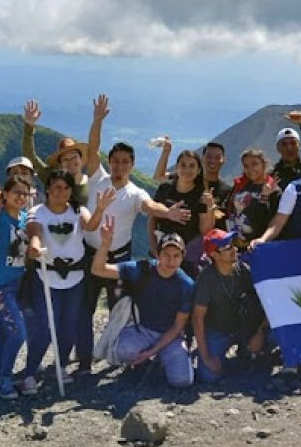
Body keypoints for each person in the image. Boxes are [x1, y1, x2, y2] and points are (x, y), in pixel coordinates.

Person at [75, 94, 191, 374]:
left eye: (125, 162)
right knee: (84, 310)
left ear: (132, 164)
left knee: (123, 310)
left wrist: (168, 213)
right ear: (110, 162)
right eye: (115, 161)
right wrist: (98, 121)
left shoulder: (135, 193)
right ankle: (84, 361)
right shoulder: (97, 178)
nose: (119, 165)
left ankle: (120, 354)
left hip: (120, 259)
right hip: (90, 254)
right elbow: (92, 147)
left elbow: (151, 205)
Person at [24, 170, 114, 390]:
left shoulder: (77, 211)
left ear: (71, 191)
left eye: (65, 188)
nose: (60, 192)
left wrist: (101, 209)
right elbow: (34, 232)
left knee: (69, 326)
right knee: (45, 327)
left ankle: (61, 365)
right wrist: (34, 246)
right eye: (56, 187)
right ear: (47, 189)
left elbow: (90, 225)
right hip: (46, 276)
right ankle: (30, 372)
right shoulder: (38, 212)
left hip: (75, 277)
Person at [91, 217, 195, 388]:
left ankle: (158, 359)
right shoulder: (142, 269)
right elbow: (98, 269)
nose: (171, 260)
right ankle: (145, 363)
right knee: (123, 350)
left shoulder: (186, 285)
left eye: (176, 255)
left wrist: (151, 352)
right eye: (166, 255)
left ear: (182, 257)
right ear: (157, 254)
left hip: (170, 335)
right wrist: (105, 244)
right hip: (143, 330)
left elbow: (178, 326)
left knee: (182, 381)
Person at [0, 152, 32, 399]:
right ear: (5, 195)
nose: (21, 197)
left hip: (16, 283)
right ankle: (5, 381)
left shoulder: (23, 218)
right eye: (16, 193)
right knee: (17, 332)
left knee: (4, 329)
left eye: (25, 193)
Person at [193, 229, 267, 383]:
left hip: (246, 326)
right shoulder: (206, 279)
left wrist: (260, 332)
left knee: (272, 338)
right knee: (208, 375)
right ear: (214, 255)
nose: (234, 249)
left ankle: (251, 350)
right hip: (219, 330)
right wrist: (206, 358)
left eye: (233, 245)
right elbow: (197, 318)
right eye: (227, 248)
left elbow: (267, 301)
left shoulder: (244, 270)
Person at [148, 150, 216, 276]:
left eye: (192, 166)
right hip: (161, 252)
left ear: (199, 170)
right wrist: (154, 248)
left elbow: (205, 230)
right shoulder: (165, 189)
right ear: (177, 167)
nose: (187, 169)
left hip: (189, 258)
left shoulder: (201, 195)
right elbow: (152, 219)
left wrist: (210, 207)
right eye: (183, 165)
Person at [20, 99, 90, 205]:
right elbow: (30, 158)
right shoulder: (52, 178)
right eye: (65, 159)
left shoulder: (91, 182)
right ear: (60, 164)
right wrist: (29, 127)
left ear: (81, 158)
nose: (70, 162)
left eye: (74, 157)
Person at [154, 141, 231, 230]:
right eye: (209, 156)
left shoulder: (228, 190)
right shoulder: (188, 177)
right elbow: (159, 176)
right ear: (202, 158)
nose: (213, 161)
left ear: (224, 160)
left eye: (218, 157)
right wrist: (166, 152)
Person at [225, 149, 282, 252]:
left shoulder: (274, 190)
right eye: (246, 166)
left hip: (257, 247)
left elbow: (268, 222)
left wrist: (264, 197)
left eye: (254, 164)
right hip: (237, 246)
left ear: (263, 164)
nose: (250, 169)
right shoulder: (241, 186)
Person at [270, 110, 301, 190]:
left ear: (299, 146)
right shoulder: (272, 174)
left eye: (293, 143)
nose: (289, 148)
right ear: (278, 148)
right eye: (284, 144)